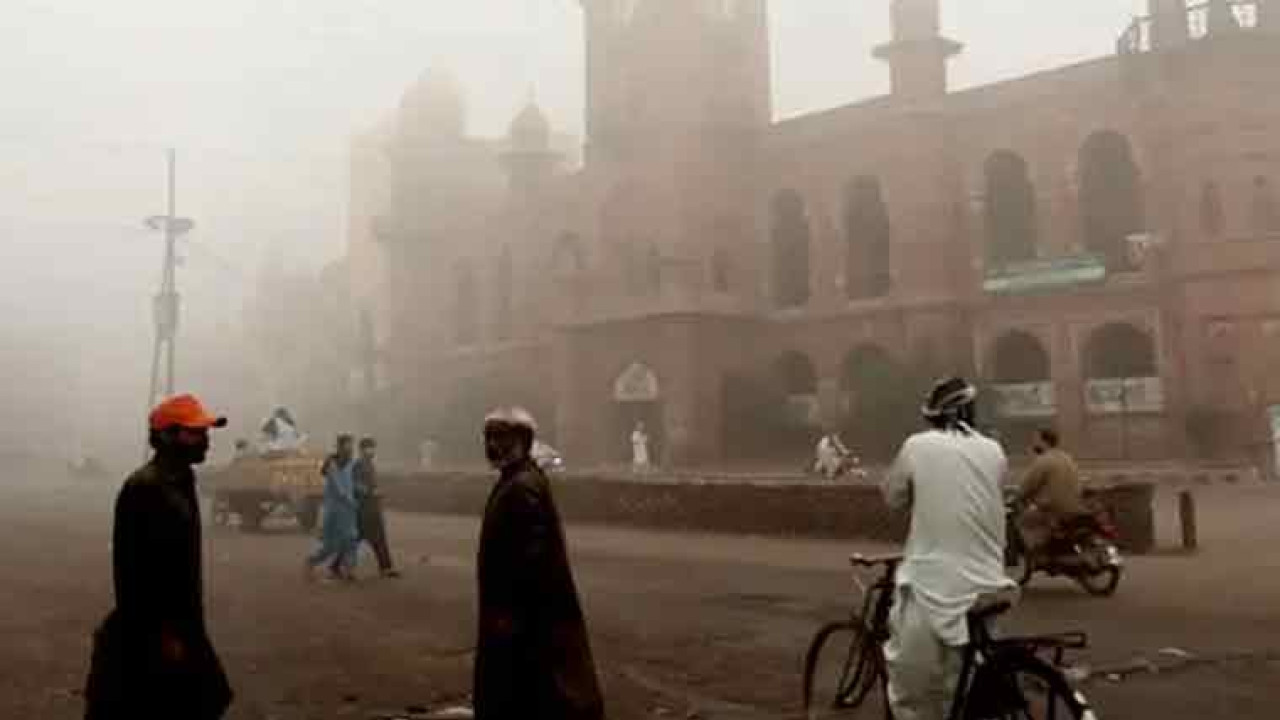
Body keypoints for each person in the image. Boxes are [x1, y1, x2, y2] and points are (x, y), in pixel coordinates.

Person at [84, 394, 234, 720]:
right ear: (167, 436)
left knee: (208, 697)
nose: (205, 440)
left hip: (184, 620)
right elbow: (133, 570)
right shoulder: (145, 488)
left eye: (204, 431)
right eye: (194, 432)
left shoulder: (182, 479)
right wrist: (165, 634)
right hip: (154, 626)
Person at [881, 378, 1017, 720]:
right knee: (967, 678)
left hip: (933, 582)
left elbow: (892, 496)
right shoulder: (994, 450)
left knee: (910, 685)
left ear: (933, 417)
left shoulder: (916, 446)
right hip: (990, 581)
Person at [474, 407, 604, 720]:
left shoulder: (521, 487)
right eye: (490, 437)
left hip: (523, 613)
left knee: (534, 686)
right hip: (520, 610)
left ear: (523, 440)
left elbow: (529, 558)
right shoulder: (519, 480)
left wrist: (510, 612)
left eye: (502, 438)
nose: (493, 445)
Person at [1015, 428, 1086, 561]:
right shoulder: (1067, 458)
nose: (1033, 443)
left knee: (1022, 522)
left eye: (1036, 440)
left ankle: (1037, 552)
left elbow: (1028, 485)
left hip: (1053, 508)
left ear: (1044, 442)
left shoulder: (1044, 461)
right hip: (1075, 506)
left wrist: (1018, 497)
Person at [304, 434, 359, 582]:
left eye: (351, 445)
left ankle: (349, 570)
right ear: (340, 446)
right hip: (334, 509)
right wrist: (350, 500)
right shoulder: (332, 464)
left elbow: (351, 484)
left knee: (351, 539)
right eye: (347, 445)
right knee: (332, 545)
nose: (350, 448)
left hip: (347, 509)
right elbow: (338, 487)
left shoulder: (350, 463)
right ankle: (311, 561)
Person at [354, 437, 400, 578]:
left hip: (372, 508)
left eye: (373, 447)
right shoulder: (358, 465)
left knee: (379, 539)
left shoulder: (369, 464)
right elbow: (355, 484)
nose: (372, 450)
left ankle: (386, 567)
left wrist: (376, 493)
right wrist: (370, 492)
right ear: (361, 450)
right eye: (369, 447)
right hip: (363, 509)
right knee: (353, 540)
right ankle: (336, 566)